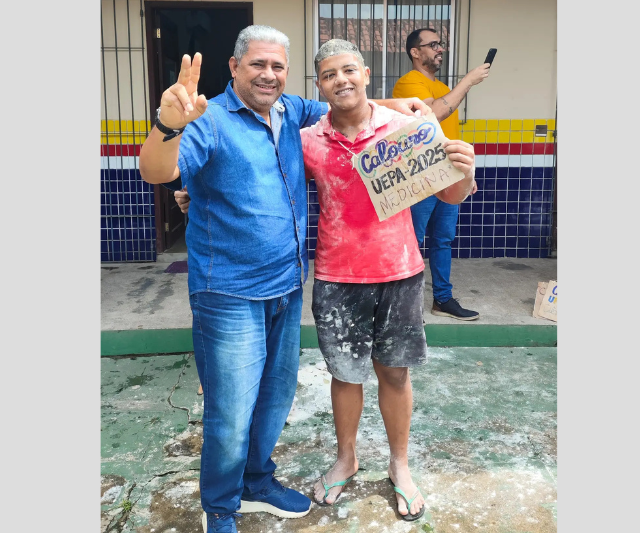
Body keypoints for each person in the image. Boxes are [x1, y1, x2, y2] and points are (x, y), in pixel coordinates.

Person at [139, 25, 429, 533]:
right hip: (228, 292)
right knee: (230, 411)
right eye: (256, 64)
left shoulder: (291, 112)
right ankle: (222, 510)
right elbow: (156, 173)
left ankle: (256, 480)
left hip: (285, 286)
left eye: (277, 66)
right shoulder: (207, 120)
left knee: (274, 398)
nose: (268, 74)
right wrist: (167, 127)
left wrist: (396, 105)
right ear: (234, 68)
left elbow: (347, 97)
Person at [300, 39, 476, 521]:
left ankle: (399, 465)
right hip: (337, 275)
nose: (341, 80)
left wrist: (464, 168)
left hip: (398, 270)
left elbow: (452, 195)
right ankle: (346, 457)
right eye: (330, 74)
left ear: (366, 73)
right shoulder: (309, 141)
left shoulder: (406, 129)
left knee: (395, 373)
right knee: (345, 374)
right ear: (320, 85)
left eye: (348, 70)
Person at [392, 28, 490, 321]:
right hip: (421, 179)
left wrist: (464, 177)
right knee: (412, 241)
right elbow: (434, 113)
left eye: (440, 44)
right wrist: (468, 82)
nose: (440, 49)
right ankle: (404, 305)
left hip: (449, 178)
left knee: (443, 241)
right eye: (432, 44)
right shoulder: (408, 83)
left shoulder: (443, 86)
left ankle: (442, 300)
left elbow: (451, 134)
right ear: (415, 52)